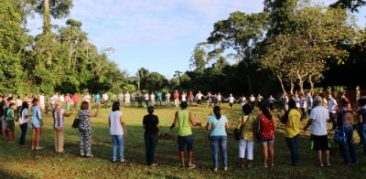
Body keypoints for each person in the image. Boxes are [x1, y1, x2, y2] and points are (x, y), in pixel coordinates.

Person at [304, 96, 331, 167]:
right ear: (321, 102)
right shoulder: (326, 110)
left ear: (315, 102)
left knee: (318, 148)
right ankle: (327, 162)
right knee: (326, 148)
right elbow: (327, 120)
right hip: (324, 131)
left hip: (316, 132)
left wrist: (305, 127)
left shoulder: (314, 110)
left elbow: (311, 120)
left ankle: (320, 163)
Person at [170, 102, 197, 169]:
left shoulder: (177, 112)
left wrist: (171, 126)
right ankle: (189, 163)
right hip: (188, 133)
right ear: (187, 106)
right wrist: (198, 123)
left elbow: (175, 123)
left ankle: (182, 164)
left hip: (180, 133)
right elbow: (193, 123)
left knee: (181, 149)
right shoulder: (189, 113)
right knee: (190, 149)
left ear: (180, 106)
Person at [206, 106, 228, 172]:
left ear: (213, 111)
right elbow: (227, 127)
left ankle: (215, 167)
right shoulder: (224, 117)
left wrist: (207, 126)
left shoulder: (210, 117)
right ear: (220, 110)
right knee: (224, 151)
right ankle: (225, 166)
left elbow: (208, 128)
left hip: (214, 136)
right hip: (223, 135)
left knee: (215, 152)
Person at [337, 98, 357, 164]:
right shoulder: (350, 111)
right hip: (350, 126)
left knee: (344, 144)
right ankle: (354, 159)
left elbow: (339, 121)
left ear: (341, 103)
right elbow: (352, 118)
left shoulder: (340, 111)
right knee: (351, 143)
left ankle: (347, 160)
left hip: (343, 127)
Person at [283, 99, 301, 166]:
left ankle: (294, 162)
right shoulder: (298, 112)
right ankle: (296, 160)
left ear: (289, 105)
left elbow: (283, 121)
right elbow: (301, 119)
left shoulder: (288, 112)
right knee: (296, 146)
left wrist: (280, 116)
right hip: (297, 131)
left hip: (290, 132)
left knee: (292, 148)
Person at [257, 103, 276, 168]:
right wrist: (274, 133)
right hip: (271, 134)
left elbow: (257, 127)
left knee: (265, 150)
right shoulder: (271, 116)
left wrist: (258, 134)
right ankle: (272, 162)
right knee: (271, 149)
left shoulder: (260, 116)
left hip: (263, 135)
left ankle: (265, 163)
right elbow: (274, 126)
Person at [239, 104, 256, 168]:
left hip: (243, 135)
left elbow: (238, 127)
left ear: (243, 110)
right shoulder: (254, 118)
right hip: (251, 135)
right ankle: (249, 164)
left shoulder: (241, 117)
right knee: (250, 149)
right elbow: (255, 127)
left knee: (242, 149)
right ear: (251, 110)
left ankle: (242, 164)